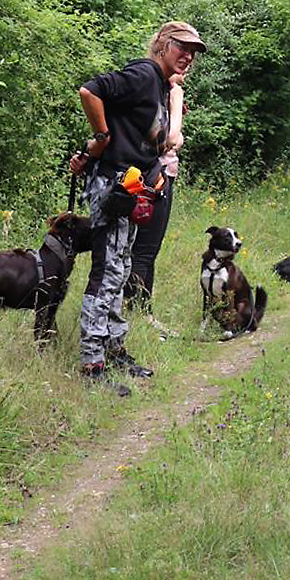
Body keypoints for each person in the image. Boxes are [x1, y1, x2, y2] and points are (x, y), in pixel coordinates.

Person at [71, 21, 206, 392]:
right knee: (108, 271)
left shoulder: (162, 87)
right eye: (182, 47)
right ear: (162, 44)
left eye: (193, 52)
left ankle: (114, 350)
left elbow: (157, 141)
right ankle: (92, 364)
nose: (188, 56)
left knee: (122, 266)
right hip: (114, 188)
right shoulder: (144, 73)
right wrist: (100, 136)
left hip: (133, 190)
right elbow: (90, 91)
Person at [125, 68, 187, 312]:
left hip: (160, 175)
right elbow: (172, 140)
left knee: (148, 249)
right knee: (144, 249)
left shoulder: (162, 95)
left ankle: (142, 310)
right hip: (154, 177)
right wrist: (177, 98)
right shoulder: (165, 94)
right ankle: (136, 311)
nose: (186, 69)